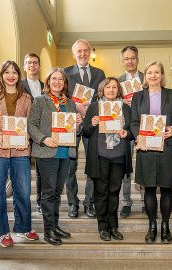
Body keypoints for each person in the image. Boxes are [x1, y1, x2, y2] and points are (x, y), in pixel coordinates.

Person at [0, 60, 39, 248]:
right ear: (2, 75)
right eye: (7, 72)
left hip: (21, 150)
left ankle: (23, 228)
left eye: (14, 72)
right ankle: (2, 231)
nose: (11, 75)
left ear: (18, 76)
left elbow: (31, 125)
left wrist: (28, 137)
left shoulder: (26, 98)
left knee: (22, 191)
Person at [130, 61, 172, 244]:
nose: (153, 76)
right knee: (150, 188)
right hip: (146, 149)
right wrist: (139, 137)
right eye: (150, 73)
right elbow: (133, 122)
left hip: (167, 147)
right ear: (145, 76)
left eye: (157, 72)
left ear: (162, 76)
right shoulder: (138, 97)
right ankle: (152, 225)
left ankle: (165, 226)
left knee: (167, 188)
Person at [28, 67, 82, 246]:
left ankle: (55, 226)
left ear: (65, 83)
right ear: (48, 82)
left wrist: (78, 123)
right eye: (54, 79)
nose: (57, 82)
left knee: (58, 193)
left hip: (65, 153)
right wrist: (44, 139)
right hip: (47, 152)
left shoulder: (71, 103)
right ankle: (48, 230)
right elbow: (31, 126)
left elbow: (75, 130)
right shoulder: (39, 101)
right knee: (48, 193)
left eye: (61, 79)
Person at [83, 77, 133, 241]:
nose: (111, 90)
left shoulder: (125, 108)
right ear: (102, 90)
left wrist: (127, 134)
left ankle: (113, 226)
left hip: (119, 156)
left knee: (114, 192)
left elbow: (132, 131)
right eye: (108, 87)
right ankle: (103, 227)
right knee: (101, 192)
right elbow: (85, 132)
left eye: (114, 87)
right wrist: (92, 123)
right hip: (100, 157)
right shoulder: (94, 107)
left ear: (118, 90)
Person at [64, 39, 106, 219]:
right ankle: (73, 203)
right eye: (79, 51)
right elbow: (61, 96)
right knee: (69, 167)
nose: (82, 54)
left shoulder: (99, 73)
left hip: (93, 125)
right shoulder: (65, 73)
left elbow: (103, 96)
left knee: (93, 166)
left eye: (85, 51)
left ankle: (90, 203)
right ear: (74, 54)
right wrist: (77, 108)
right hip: (71, 125)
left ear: (90, 52)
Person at [117, 45, 145, 218]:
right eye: (126, 58)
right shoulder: (117, 81)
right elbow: (109, 101)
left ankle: (145, 201)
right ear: (123, 61)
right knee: (125, 168)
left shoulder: (146, 77)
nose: (130, 61)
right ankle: (126, 202)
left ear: (137, 59)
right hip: (125, 129)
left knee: (144, 166)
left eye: (132, 58)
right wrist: (122, 102)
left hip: (144, 129)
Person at [21, 52, 44, 214]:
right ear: (24, 67)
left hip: (42, 132)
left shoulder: (46, 86)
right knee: (23, 170)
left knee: (42, 170)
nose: (32, 65)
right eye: (29, 62)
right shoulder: (19, 85)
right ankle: (23, 201)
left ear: (39, 66)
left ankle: (40, 201)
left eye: (35, 63)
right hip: (23, 133)